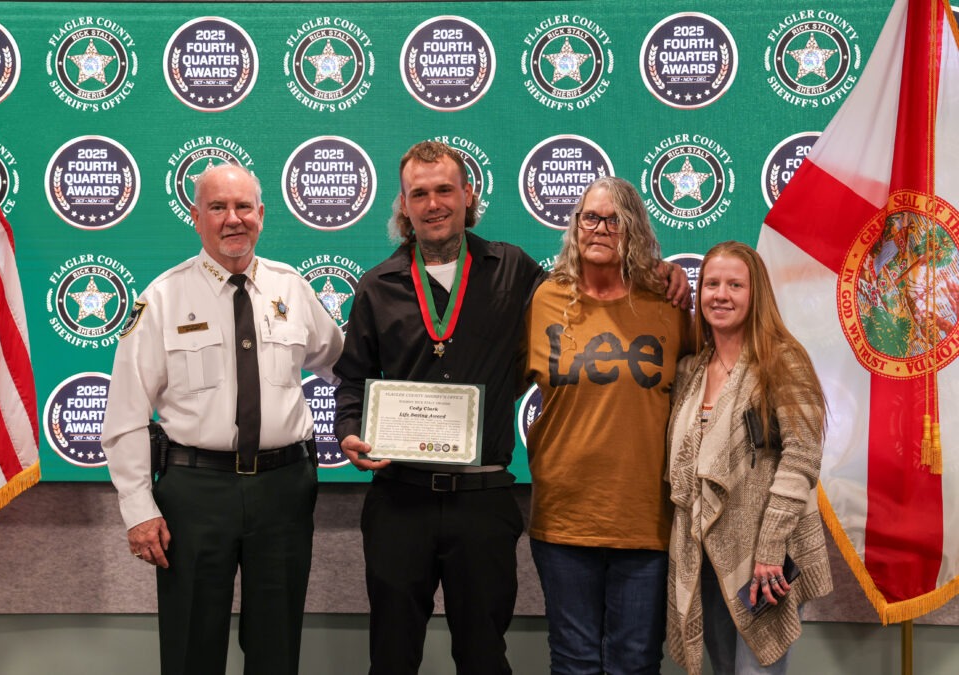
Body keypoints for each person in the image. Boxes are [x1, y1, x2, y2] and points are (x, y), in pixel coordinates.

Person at [334, 141, 691, 674]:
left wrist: (657, 268)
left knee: (483, 653)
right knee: (391, 652)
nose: (433, 204)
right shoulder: (376, 285)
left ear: (467, 195)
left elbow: (596, 294)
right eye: (419, 194)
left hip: (482, 501)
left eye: (444, 190)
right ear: (403, 206)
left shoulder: (516, 271)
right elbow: (351, 380)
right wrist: (348, 433)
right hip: (399, 500)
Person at [101, 163, 344, 675]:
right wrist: (139, 509)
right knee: (193, 644)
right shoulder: (162, 299)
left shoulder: (292, 289)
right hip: (196, 492)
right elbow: (124, 415)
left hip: (284, 490)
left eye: (243, 207)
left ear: (261, 214)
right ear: (196, 217)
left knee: (276, 646)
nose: (233, 219)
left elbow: (342, 363)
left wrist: (371, 422)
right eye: (218, 207)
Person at [523, 176, 693, 674]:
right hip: (562, 516)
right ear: (575, 226)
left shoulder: (668, 303)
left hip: (646, 519)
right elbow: (494, 381)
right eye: (588, 218)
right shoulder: (544, 300)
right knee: (573, 662)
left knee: (635, 662)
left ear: (634, 228)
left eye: (612, 219)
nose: (599, 228)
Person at [665, 241, 832, 675]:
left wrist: (771, 548)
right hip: (704, 556)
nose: (721, 295)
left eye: (735, 285)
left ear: (756, 294)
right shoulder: (691, 370)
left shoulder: (783, 361)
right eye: (712, 284)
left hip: (763, 560)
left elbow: (801, 459)